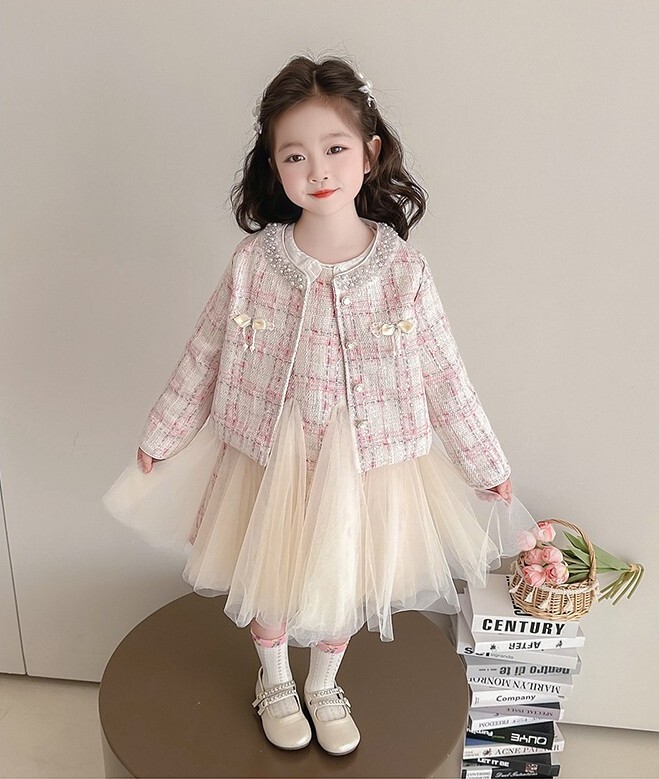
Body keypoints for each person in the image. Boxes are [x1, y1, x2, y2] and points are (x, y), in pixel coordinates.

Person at [103, 55, 537, 756]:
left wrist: (484, 462)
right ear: (274, 167)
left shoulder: (402, 270)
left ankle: (325, 683)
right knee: (267, 573)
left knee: (344, 574)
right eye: (295, 155)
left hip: (366, 461)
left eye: (334, 148)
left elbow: (443, 371)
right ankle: (275, 678)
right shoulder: (256, 263)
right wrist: (165, 432)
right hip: (266, 452)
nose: (318, 170)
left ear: (369, 151)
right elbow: (206, 351)